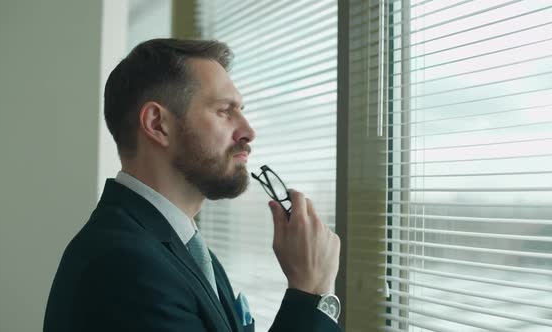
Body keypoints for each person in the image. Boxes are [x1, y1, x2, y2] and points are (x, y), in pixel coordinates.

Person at [43, 38, 342, 332]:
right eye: (224, 110)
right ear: (158, 124)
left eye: (242, 110)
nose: (249, 131)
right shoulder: (124, 264)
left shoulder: (182, 251)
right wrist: (309, 291)